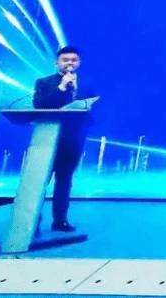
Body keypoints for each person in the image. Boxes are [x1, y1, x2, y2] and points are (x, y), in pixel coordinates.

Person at [32, 45, 97, 232]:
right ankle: (32, 221)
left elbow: (93, 109)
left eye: (73, 60)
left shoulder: (86, 84)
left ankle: (60, 220)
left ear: (79, 62)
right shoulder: (44, 83)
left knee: (65, 180)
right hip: (47, 139)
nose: (70, 63)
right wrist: (61, 88)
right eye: (65, 60)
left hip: (73, 140)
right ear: (57, 63)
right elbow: (39, 105)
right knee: (40, 181)